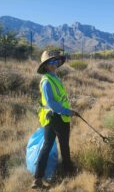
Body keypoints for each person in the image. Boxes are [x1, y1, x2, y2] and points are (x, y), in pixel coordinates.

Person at [32, 50, 80, 189]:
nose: (55, 63)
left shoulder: (54, 77)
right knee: (62, 145)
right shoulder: (46, 81)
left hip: (53, 117)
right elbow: (52, 103)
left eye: (56, 61)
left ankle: (38, 179)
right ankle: (68, 171)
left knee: (47, 147)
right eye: (51, 62)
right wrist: (68, 111)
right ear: (46, 66)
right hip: (57, 118)